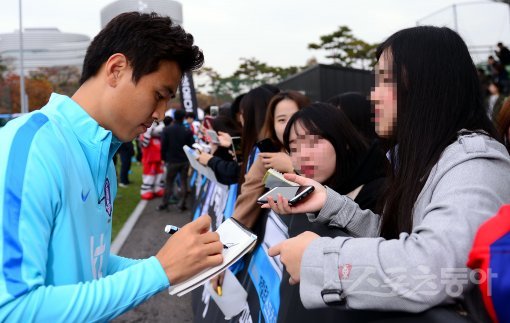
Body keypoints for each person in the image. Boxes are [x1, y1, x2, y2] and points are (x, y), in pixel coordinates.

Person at [265, 26, 510, 320]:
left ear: (426, 84)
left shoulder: (475, 161)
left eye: (384, 81)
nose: (373, 97)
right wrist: (331, 204)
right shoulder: (422, 159)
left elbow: (435, 268)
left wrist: (318, 261)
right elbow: (400, 241)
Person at [0, 12, 223, 321]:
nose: (160, 113)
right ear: (116, 69)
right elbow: (13, 309)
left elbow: (93, 263)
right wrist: (159, 270)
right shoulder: (29, 146)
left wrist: (180, 266)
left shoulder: (103, 153)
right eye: (159, 95)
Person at [158, 109, 195, 211]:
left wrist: (163, 158)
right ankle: (181, 204)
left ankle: (165, 203)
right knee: (183, 182)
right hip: (184, 160)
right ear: (184, 118)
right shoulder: (187, 130)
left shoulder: (167, 130)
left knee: (169, 182)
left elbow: (163, 146)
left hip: (171, 160)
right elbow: (191, 145)